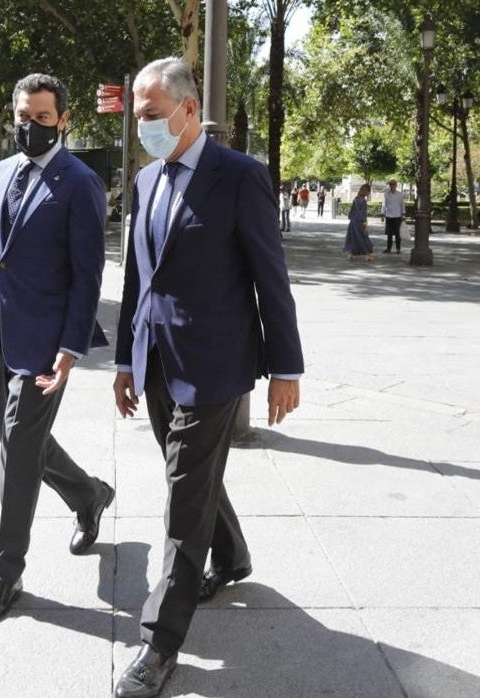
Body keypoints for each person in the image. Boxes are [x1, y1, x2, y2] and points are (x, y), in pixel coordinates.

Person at [112, 56, 304, 698]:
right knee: (191, 475)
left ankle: (159, 643)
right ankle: (234, 556)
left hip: (217, 364)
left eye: (152, 115)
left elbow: (269, 277)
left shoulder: (241, 177)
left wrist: (286, 366)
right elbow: (138, 278)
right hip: (157, 360)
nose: (144, 127)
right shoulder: (146, 182)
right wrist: (122, 360)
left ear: (189, 109)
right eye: (139, 117)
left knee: (182, 494)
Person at [0, 72, 113, 630]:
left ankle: (5, 574)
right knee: (19, 439)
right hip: (0, 335)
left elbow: (88, 276)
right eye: (22, 116)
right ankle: (90, 494)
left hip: (47, 343)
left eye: (41, 117)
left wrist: (71, 347)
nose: (29, 126)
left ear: (63, 119)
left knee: (17, 451)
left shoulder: (80, 182)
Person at [344, 184, 375, 261]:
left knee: (352, 238)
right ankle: (367, 255)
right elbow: (363, 213)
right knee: (363, 238)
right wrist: (365, 223)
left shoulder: (356, 199)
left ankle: (350, 254)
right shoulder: (363, 200)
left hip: (353, 221)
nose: (369, 193)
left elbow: (352, 211)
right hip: (359, 222)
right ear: (366, 191)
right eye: (368, 192)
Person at [381, 179, 404, 254]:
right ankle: (388, 248)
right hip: (389, 216)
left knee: (398, 233)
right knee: (389, 233)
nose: (393, 186)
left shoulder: (400, 194)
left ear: (396, 186)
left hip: (397, 216)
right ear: (390, 186)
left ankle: (398, 249)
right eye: (391, 185)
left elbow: (402, 205)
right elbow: (384, 205)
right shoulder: (386, 194)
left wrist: (403, 214)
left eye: (394, 185)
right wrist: (382, 215)